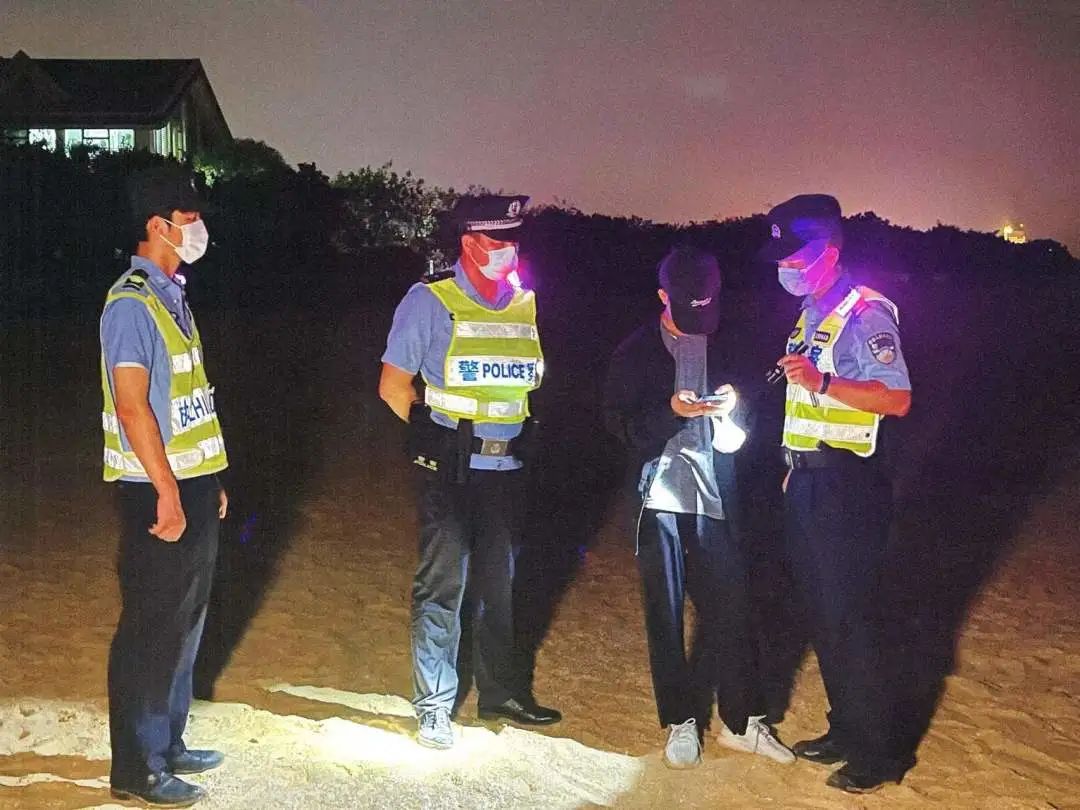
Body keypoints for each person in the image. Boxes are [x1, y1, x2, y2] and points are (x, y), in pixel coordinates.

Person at [378, 195, 561, 750]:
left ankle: (500, 694)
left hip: (509, 468)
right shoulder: (430, 299)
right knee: (442, 588)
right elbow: (393, 385)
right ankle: (434, 705)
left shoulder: (524, 302)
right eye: (497, 241)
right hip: (453, 470)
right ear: (469, 243)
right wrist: (430, 439)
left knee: (499, 590)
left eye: (514, 241)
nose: (509, 250)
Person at [603, 246, 794, 769]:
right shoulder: (635, 352)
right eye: (688, 310)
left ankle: (743, 722)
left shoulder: (729, 341)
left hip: (716, 492)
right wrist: (669, 412)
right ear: (663, 297)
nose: (699, 324)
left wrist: (733, 409)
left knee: (733, 606)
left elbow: (753, 414)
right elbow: (619, 427)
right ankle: (679, 721)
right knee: (663, 611)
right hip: (658, 496)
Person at [760, 194, 914, 793]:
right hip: (810, 479)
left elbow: (896, 398)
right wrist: (792, 465)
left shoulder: (867, 312)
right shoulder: (811, 311)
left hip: (849, 485)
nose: (784, 267)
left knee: (850, 618)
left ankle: (878, 754)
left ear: (828, 251)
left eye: (794, 256)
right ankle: (846, 729)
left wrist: (824, 381)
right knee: (825, 615)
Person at [100, 166, 230, 807]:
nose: (198, 228)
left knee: (185, 623)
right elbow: (131, 407)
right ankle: (137, 767)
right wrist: (169, 492)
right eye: (189, 218)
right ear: (159, 225)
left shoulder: (172, 296)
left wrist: (209, 478)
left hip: (191, 483)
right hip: (156, 492)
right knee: (151, 629)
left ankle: (168, 743)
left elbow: (186, 401)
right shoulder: (131, 303)